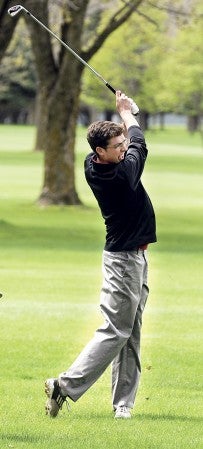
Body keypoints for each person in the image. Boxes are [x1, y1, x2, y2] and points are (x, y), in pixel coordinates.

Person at [44, 91, 156, 419]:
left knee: (131, 329)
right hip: (123, 261)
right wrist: (128, 113)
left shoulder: (92, 163)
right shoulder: (121, 174)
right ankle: (63, 384)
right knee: (116, 330)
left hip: (134, 258)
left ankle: (123, 405)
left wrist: (123, 117)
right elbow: (140, 144)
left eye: (123, 145)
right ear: (100, 152)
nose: (123, 150)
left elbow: (131, 142)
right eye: (117, 147)